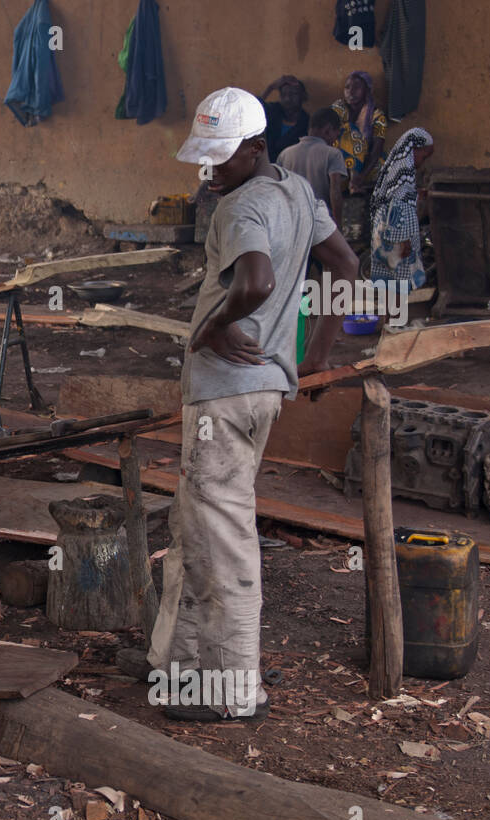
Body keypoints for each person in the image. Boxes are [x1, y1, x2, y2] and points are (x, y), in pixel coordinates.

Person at [118, 87, 358, 721]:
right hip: (262, 392)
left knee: (223, 539)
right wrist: (316, 354)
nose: (211, 170)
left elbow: (257, 281)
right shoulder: (298, 194)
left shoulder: (239, 209)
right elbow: (346, 266)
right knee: (193, 526)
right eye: (206, 157)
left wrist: (213, 327)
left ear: (256, 148)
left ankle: (232, 691)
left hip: (225, 396)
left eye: (222, 157)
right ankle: (172, 662)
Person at [369, 127, 435, 291]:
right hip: (396, 238)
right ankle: (394, 316)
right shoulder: (404, 170)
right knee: (398, 286)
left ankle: (387, 317)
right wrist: (404, 240)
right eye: (423, 156)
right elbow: (397, 207)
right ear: (413, 149)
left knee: (388, 284)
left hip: (383, 231)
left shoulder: (396, 167)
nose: (422, 162)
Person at [278, 108, 348, 224]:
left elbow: (279, 191)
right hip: (321, 224)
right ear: (328, 130)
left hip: (293, 223)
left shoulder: (285, 154)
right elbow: (335, 192)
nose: (336, 139)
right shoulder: (333, 154)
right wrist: (338, 226)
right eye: (337, 134)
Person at [331, 70, 387, 193]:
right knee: (350, 131)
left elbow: (377, 149)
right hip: (339, 160)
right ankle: (352, 182)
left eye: (356, 88)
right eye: (347, 87)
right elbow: (329, 135)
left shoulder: (377, 115)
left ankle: (355, 182)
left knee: (383, 165)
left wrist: (362, 175)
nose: (350, 92)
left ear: (367, 91)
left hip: (365, 164)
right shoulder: (339, 108)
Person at [259, 74, 310, 162]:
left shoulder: (307, 123)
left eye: (293, 94)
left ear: (303, 96)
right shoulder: (273, 111)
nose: (287, 99)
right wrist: (270, 87)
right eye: (283, 95)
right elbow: (253, 107)